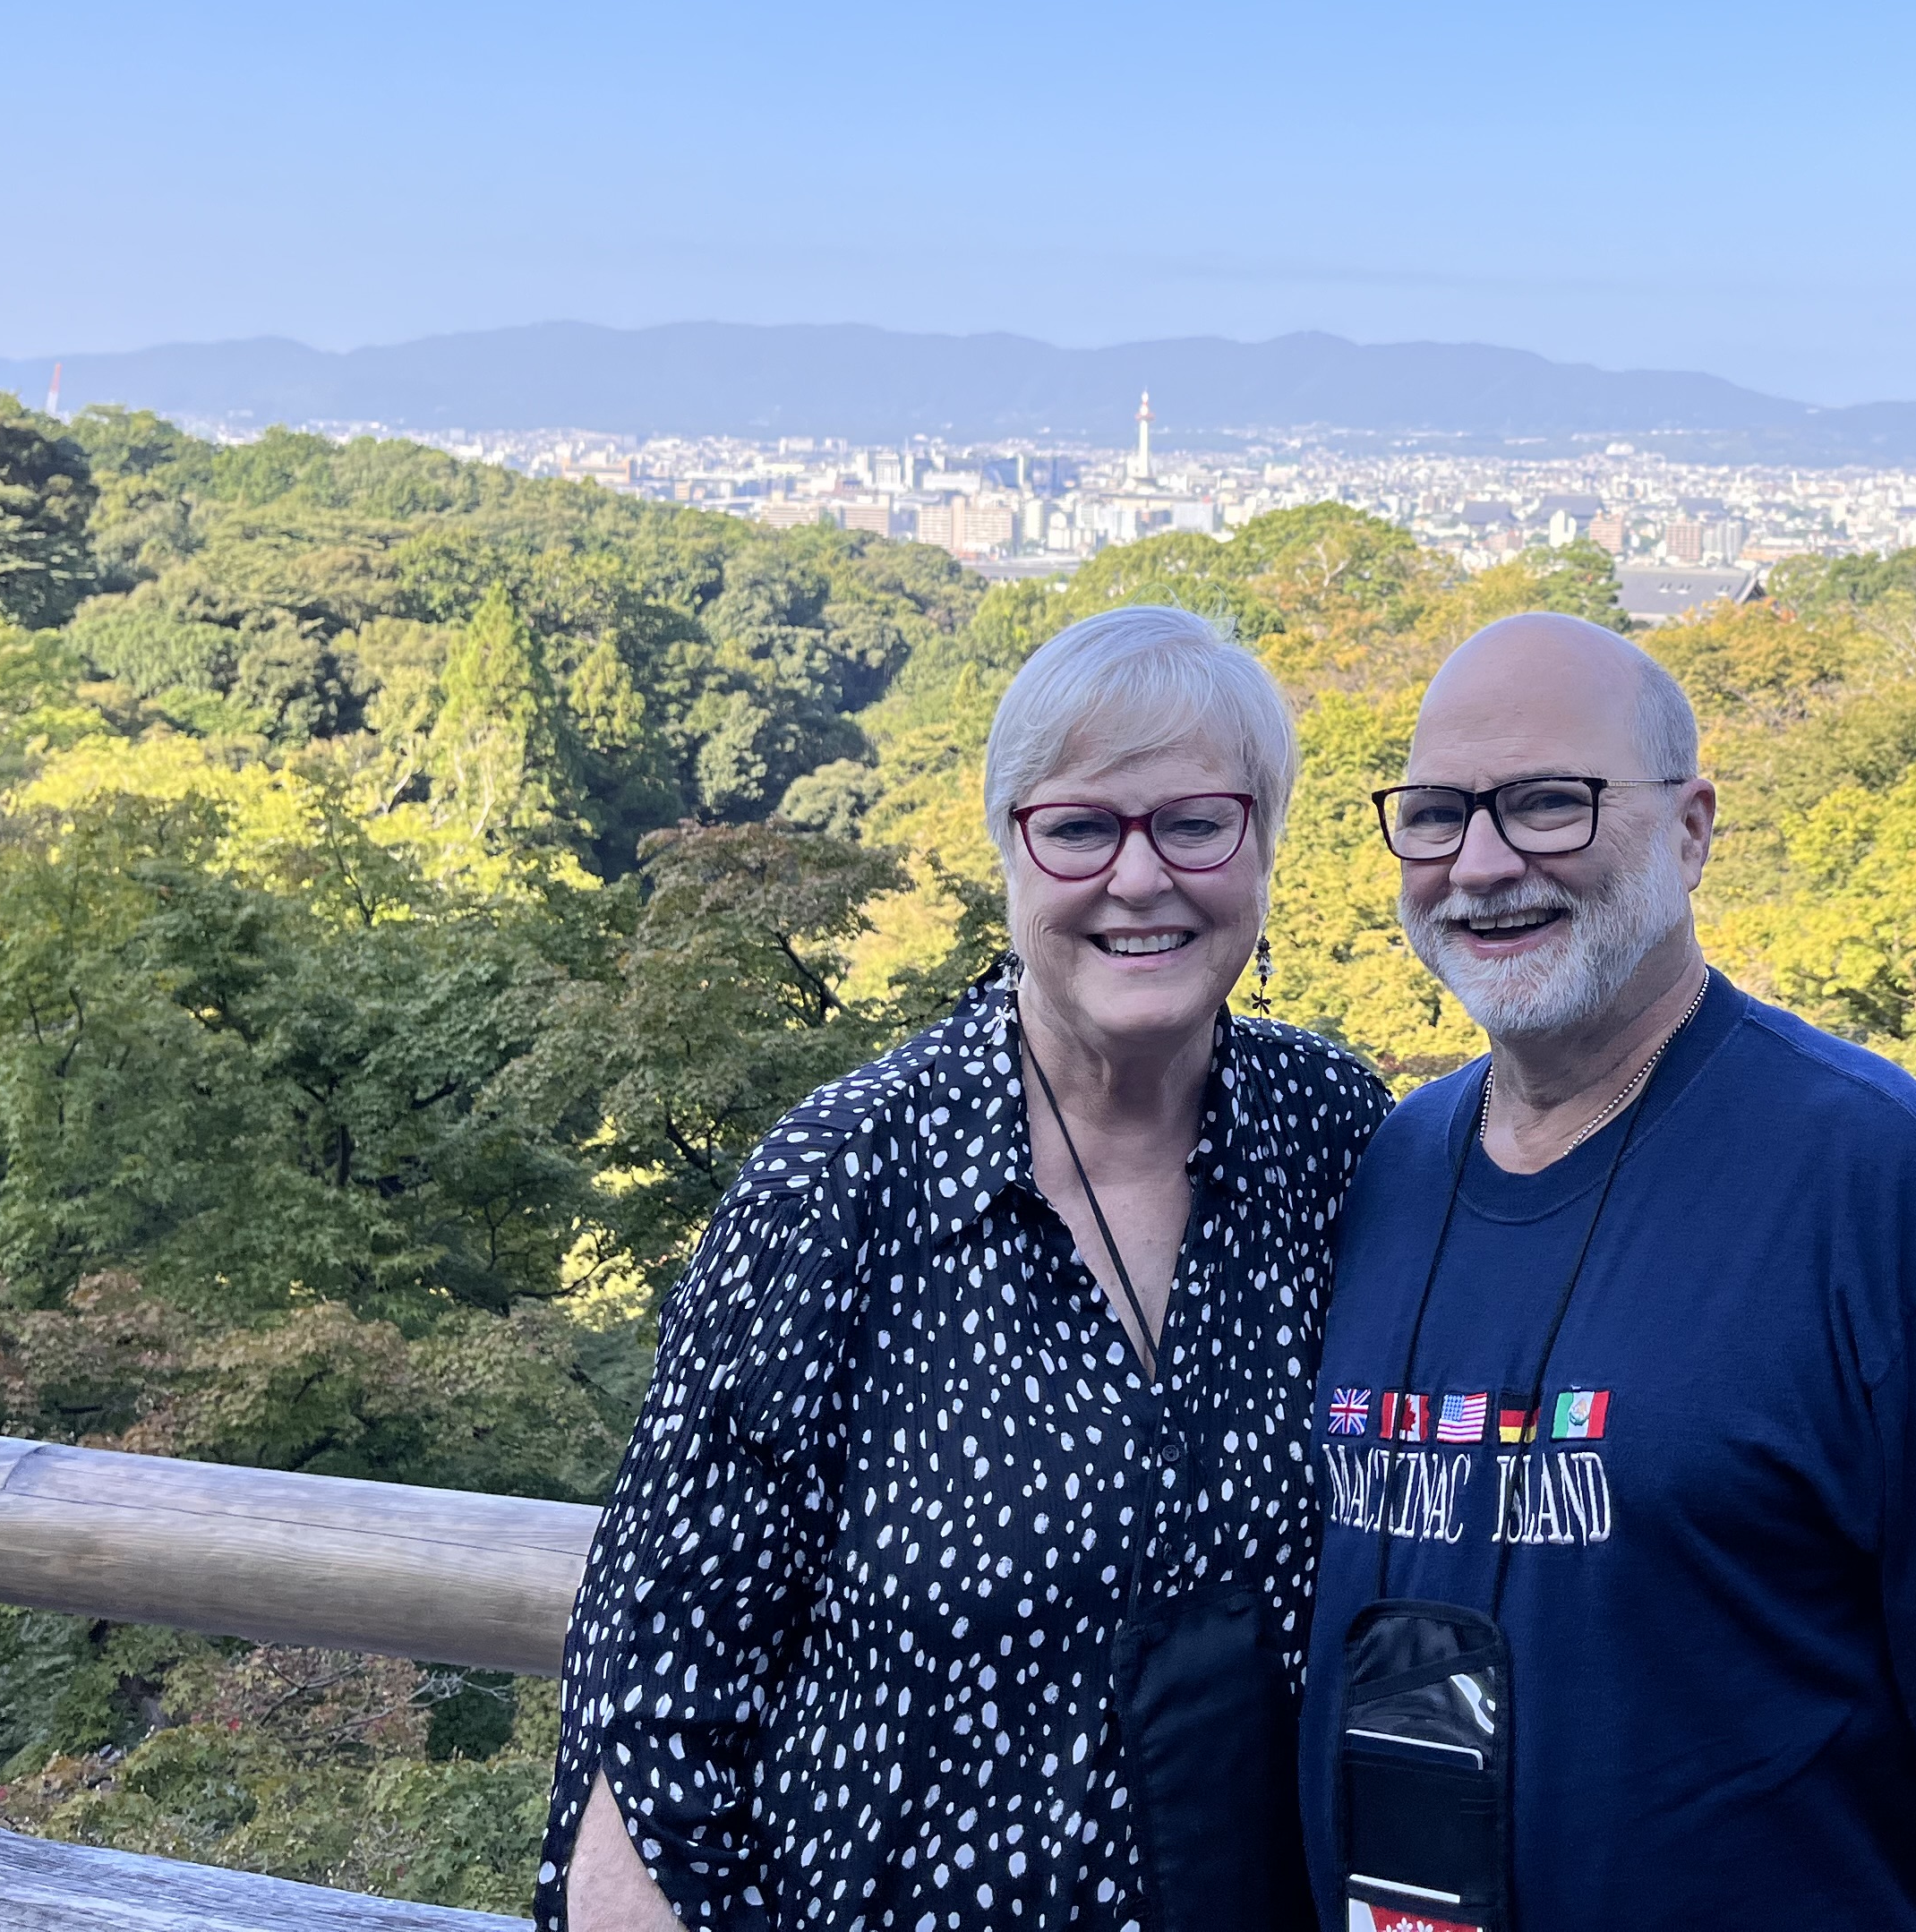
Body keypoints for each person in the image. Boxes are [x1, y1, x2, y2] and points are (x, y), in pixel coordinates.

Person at [540, 605, 1390, 1932]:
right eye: (1080, 826)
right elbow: (651, 1708)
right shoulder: (845, 1184)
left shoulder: (1332, 1136)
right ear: (1009, 846)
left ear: (1263, 841)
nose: (1141, 875)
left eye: (1195, 822)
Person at [1302, 614, 1916, 1932]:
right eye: (1439, 814)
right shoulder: (1391, 1169)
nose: (1484, 862)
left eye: (1551, 805)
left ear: (1691, 828)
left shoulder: (1881, 1187)